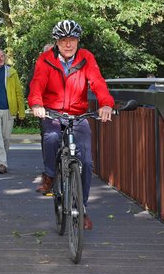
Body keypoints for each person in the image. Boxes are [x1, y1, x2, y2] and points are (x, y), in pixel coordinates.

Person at [28, 20, 114, 231]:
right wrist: (37, 104)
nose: (68, 44)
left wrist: (105, 104)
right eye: (64, 40)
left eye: (72, 40)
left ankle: (81, 208)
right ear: (56, 42)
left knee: (86, 160)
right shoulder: (45, 59)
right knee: (51, 138)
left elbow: (98, 82)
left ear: (78, 41)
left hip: (78, 114)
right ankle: (49, 174)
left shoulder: (87, 58)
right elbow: (37, 84)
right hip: (53, 112)